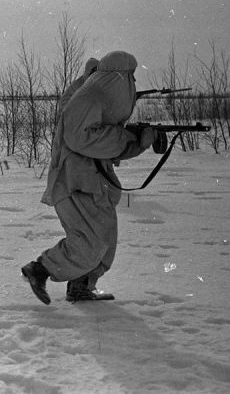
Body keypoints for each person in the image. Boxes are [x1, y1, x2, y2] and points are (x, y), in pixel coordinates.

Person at [21, 51, 156, 304]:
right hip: (75, 184)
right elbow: (82, 138)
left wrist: (140, 142)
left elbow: (104, 146)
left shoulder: (95, 100)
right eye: (130, 77)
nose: (133, 84)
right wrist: (127, 137)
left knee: (104, 242)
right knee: (90, 243)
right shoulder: (88, 98)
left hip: (91, 183)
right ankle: (39, 270)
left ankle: (80, 286)